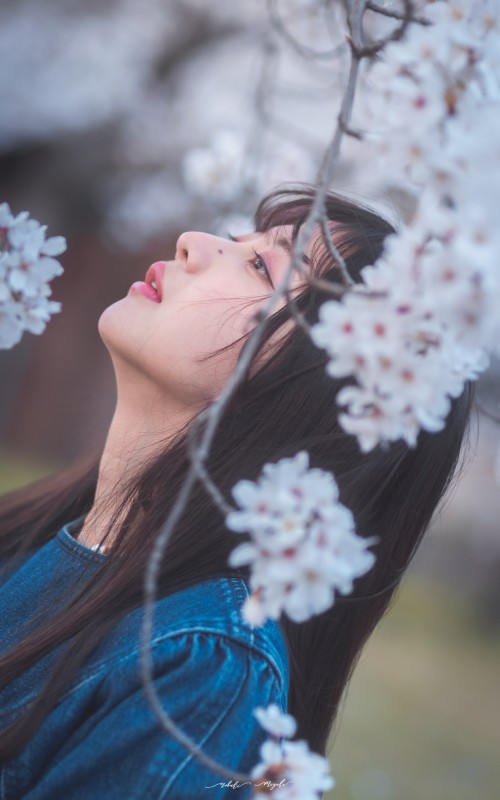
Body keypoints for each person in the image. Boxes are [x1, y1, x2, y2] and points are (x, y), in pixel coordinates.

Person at [0, 186, 474, 798]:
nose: (194, 242)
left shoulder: (199, 671)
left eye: (261, 266)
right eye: (244, 242)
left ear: (315, 388)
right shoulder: (30, 534)